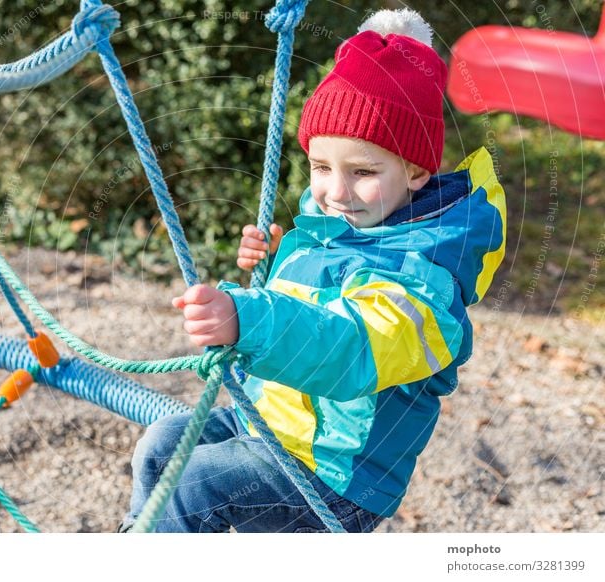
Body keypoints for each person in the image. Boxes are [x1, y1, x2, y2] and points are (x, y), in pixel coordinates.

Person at [119, 8, 506, 533]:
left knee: (196, 483)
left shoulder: (426, 276)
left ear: (416, 171)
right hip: (277, 427)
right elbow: (314, 299)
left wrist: (248, 317)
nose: (336, 191)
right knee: (164, 444)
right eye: (322, 167)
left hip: (337, 475)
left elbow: (349, 349)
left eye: (363, 172)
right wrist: (277, 263)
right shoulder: (333, 228)